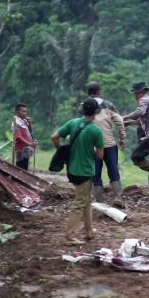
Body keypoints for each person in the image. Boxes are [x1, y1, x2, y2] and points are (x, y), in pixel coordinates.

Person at [51, 98, 104, 246]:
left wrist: (61, 149)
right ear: (95, 112)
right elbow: (100, 156)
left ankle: (89, 231)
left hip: (72, 169)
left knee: (86, 199)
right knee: (80, 202)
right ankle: (70, 236)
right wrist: (91, 150)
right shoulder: (95, 131)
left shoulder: (72, 123)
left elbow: (54, 137)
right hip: (85, 171)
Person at [82, 82, 127, 202]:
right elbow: (119, 121)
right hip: (109, 144)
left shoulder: (83, 106)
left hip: (92, 146)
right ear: (99, 91)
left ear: (88, 92)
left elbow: (80, 126)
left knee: (95, 173)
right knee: (113, 170)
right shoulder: (108, 105)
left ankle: (99, 200)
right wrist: (122, 138)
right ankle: (117, 197)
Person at [13, 103, 37, 170]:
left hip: (26, 149)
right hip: (20, 149)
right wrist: (31, 144)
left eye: (25, 111)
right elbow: (19, 137)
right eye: (23, 111)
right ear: (17, 112)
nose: (25, 113)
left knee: (25, 168)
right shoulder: (16, 122)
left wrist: (29, 123)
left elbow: (30, 131)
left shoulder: (23, 120)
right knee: (20, 168)